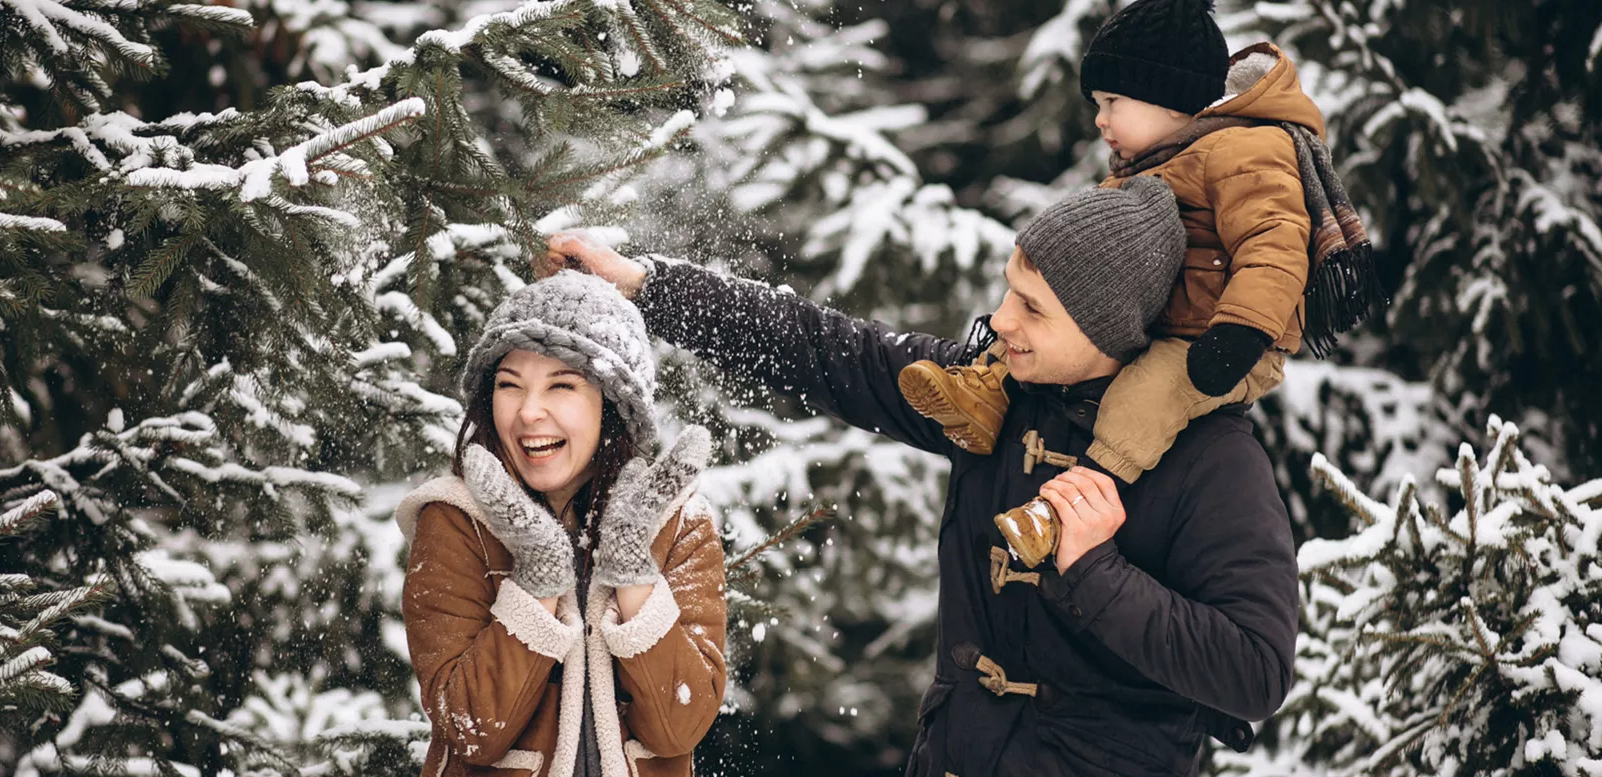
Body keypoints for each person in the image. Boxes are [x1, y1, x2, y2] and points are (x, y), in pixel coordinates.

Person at [542, 176, 1299, 777]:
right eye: (1008, 291)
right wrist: (648, 287)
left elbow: (1257, 673)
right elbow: (825, 348)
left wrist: (1097, 571)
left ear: (1105, 329)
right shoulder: (993, 395)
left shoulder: (1214, 461)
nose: (1001, 320)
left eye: (1031, 308)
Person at [898, 0, 1381, 484]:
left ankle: (1081, 493)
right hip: (1156, 323)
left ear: (1168, 97)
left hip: (1220, 342)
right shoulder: (1147, 164)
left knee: (1142, 399)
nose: (1099, 121)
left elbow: (1275, 248)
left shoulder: (1245, 149)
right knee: (1046, 316)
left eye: (1112, 103)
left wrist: (1241, 331)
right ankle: (984, 391)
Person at [394, 271, 727, 777]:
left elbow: (680, 727)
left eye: (562, 385)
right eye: (510, 386)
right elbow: (469, 729)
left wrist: (635, 570)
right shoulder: (456, 523)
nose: (529, 412)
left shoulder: (679, 524)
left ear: (612, 406)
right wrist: (537, 573)